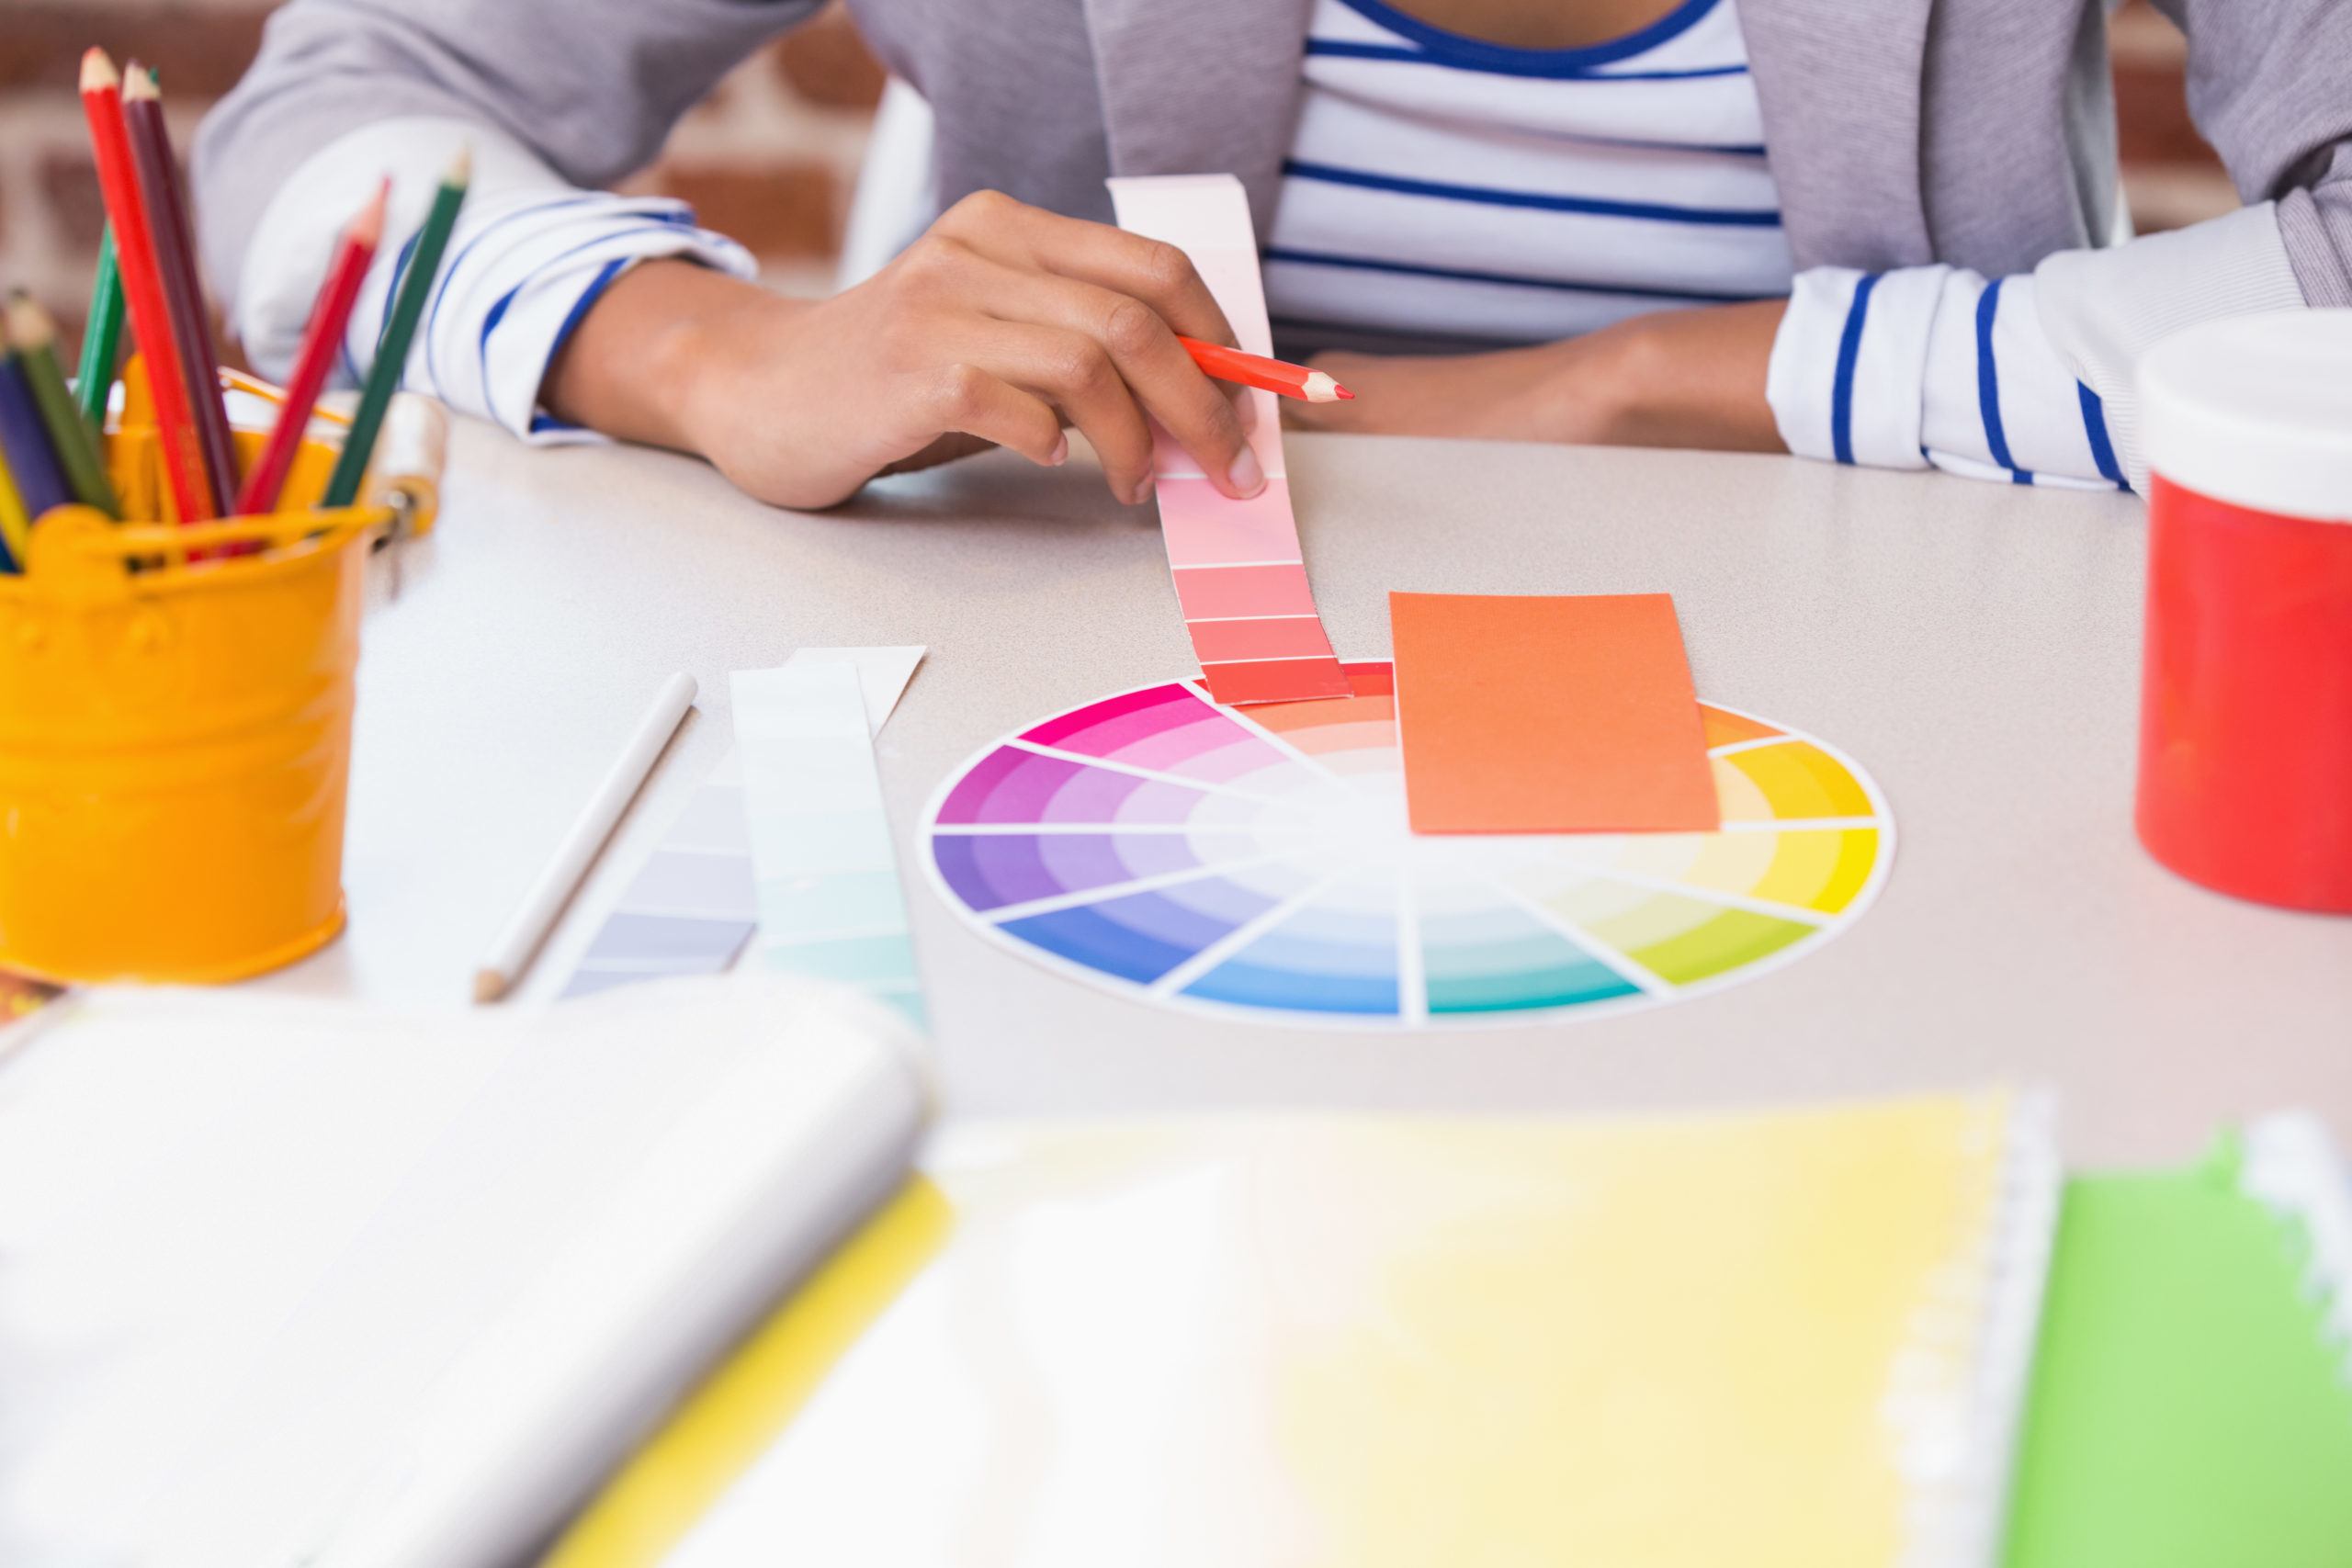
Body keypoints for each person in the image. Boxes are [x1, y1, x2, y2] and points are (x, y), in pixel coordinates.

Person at [195, 0, 2350, 511]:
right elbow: (326, 106)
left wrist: (1627, 382)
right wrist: (694, 352)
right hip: (1089, 672)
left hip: (1923, 691)